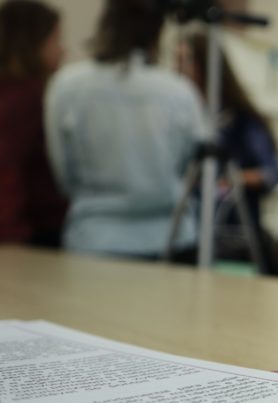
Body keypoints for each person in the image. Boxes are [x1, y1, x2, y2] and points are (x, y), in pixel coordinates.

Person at [45, 0, 203, 259]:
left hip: (95, 237)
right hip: (169, 238)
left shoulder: (68, 86)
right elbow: (190, 166)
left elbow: (63, 168)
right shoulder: (178, 91)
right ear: (158, 30)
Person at [180, 33, 278, 271]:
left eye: (184, 60)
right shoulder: (186, 116)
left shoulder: (241, 122)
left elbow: (271, 174)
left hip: (232, 238)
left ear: (204, 66)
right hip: (188, 235)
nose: (178, 69)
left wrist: (227, 182)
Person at [0, 0, 66, 247]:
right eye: (56, 40)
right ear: (33, 42)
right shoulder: (29, 98)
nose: (62, 50)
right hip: (32, 235)